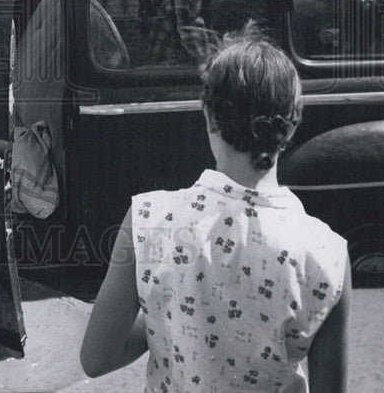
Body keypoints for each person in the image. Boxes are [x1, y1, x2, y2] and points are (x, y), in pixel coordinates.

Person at [80, 22, 351, 392]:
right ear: (293, 123)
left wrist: (166, 314)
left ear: (206, 115)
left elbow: (97, 359)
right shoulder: (327, 254)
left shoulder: (148, 219)